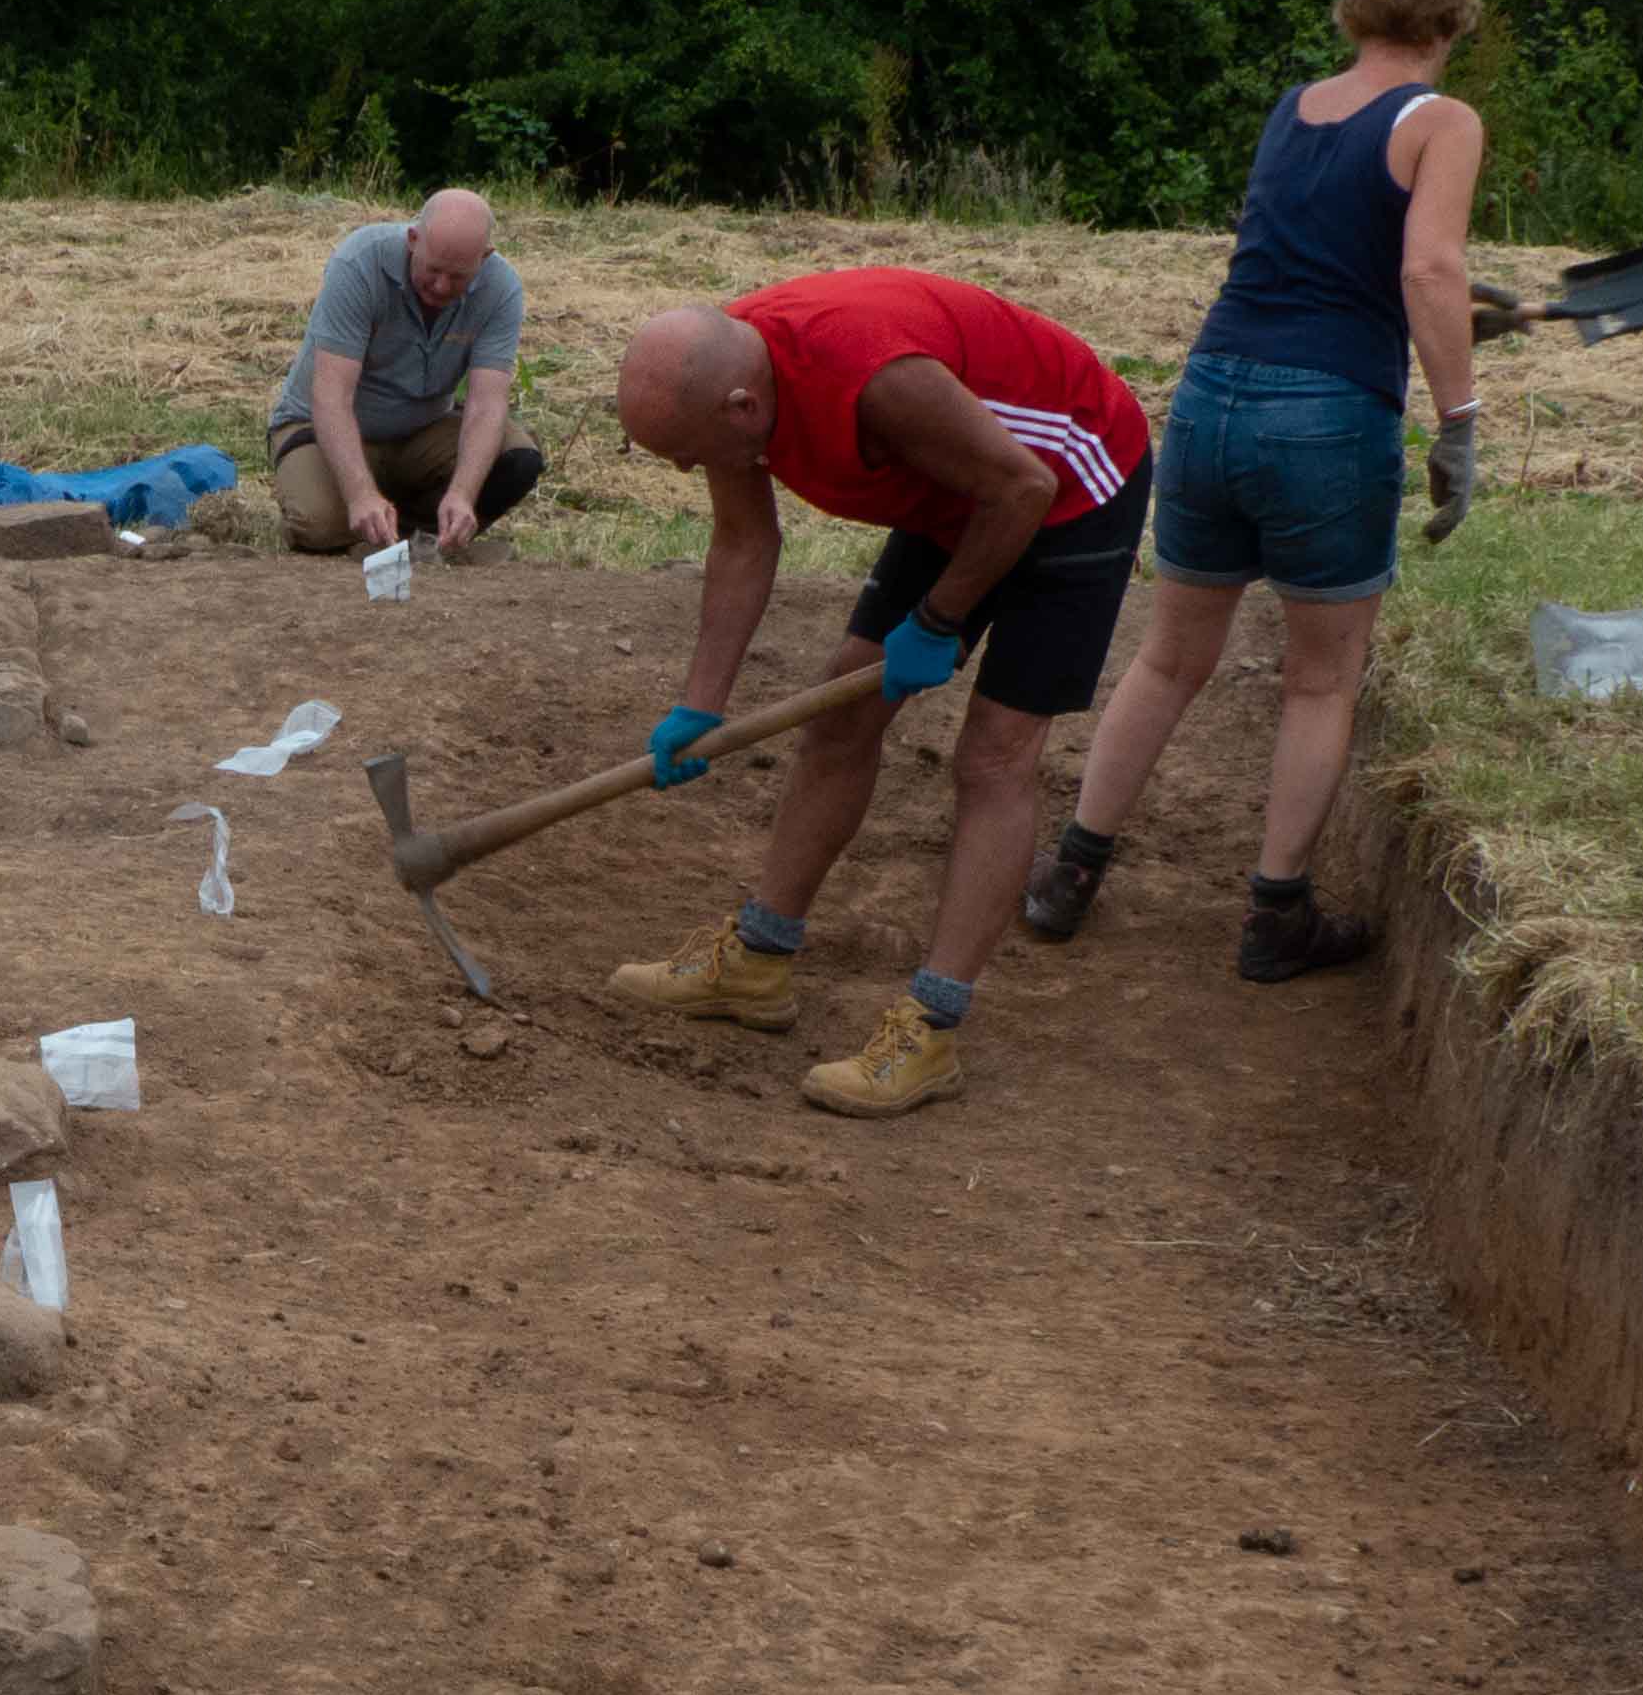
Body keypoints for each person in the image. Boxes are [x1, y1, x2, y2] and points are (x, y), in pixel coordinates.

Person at [1022, 0, 1495, 979]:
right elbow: (1427, 271)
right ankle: (1276, 916)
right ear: (1452, 19)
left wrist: (1451, 314)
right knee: (1320, 681)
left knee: (1168, 655)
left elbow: (1326, 256)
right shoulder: (1443, 120)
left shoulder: (1297, 107)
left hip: (1211, 398)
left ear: (1355, 6)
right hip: (1325, 418)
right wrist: (1459, 418)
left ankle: (1069, 875)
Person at [605, 270, 1152, 1117]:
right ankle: (757, 961)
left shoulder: (872, 380)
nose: (682, 465)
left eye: (686, 450)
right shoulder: (724, 370)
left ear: (743, 408)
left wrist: (939, 620)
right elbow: (745, 541)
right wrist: (700, 704)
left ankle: (932, 1028)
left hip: (1072, 479)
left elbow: (1024, 489)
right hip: (961, 487)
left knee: (994, 755)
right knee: (844, 710)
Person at [267, 187, 546, 557]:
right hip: (320, 427)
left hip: (423, 430)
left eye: (458, 277)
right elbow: (331, 396)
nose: (441, 286)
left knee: (517, 460)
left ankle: (414, 536)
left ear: (484, 257)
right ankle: (365, 514)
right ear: (413, 240)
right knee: (318, 525)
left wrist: (463, 494)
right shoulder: (358, 263)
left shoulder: (502, 289)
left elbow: (487, 404)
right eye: (433, 270)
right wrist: (360, 493)